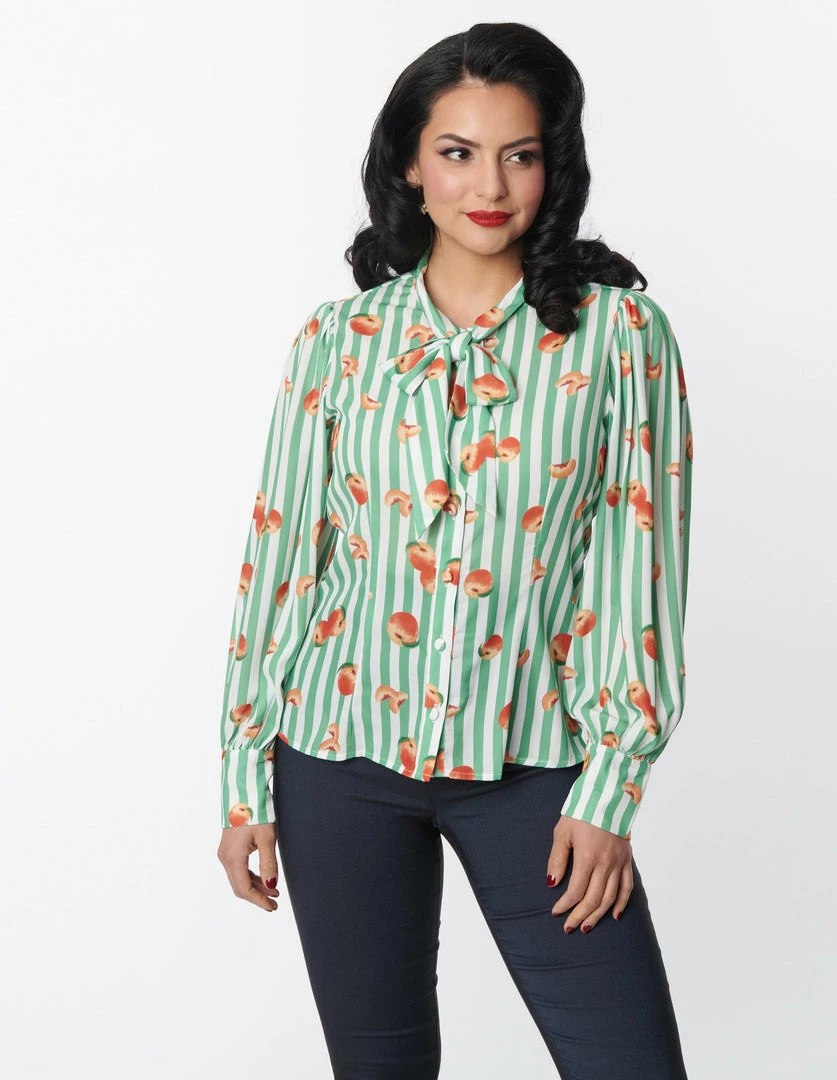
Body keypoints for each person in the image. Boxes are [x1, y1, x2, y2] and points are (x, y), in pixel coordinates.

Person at [216, 21, 693, 1080]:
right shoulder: (336, 344)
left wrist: (610, 786)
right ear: (409, 167)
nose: (490, 185)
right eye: (458, 152)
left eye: (520, 154)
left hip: (535, 769)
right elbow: (283, 563)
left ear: (553, 168)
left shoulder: (621, 341)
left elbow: (638, 571)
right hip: (335, 760)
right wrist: (245, 779)